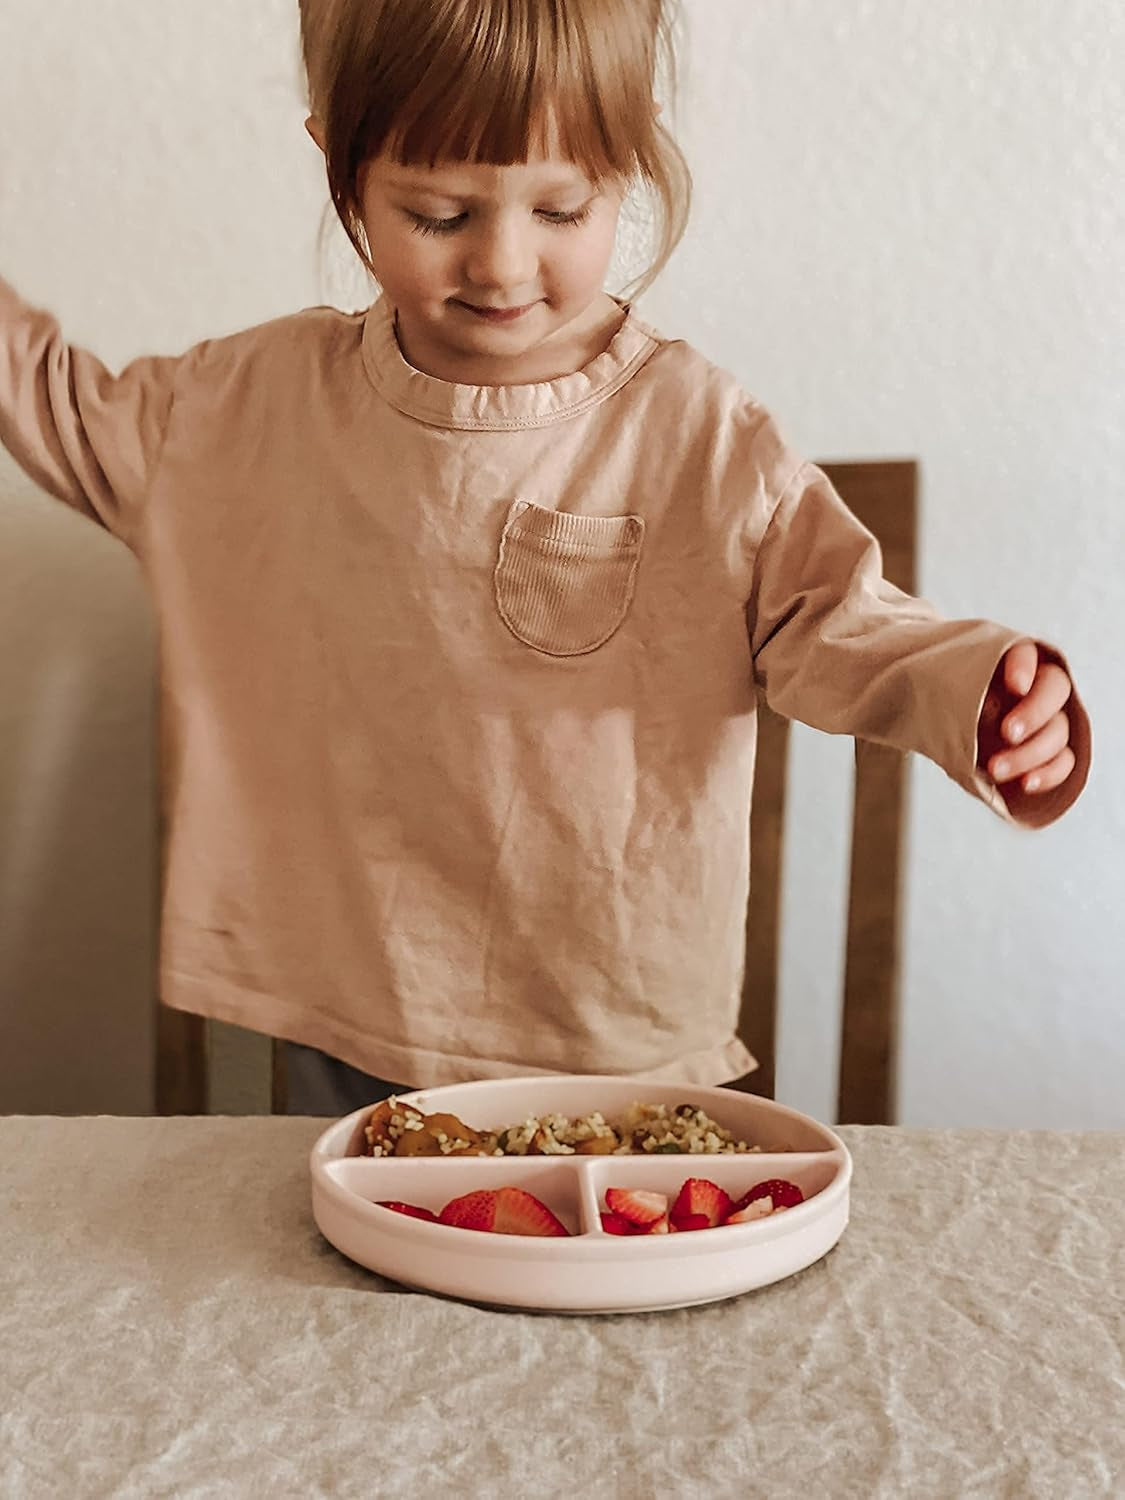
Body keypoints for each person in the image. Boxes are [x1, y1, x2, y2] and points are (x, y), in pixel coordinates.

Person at [0, 0, 1090, 1116]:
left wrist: (980, 691)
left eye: (561, 207)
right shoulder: (255, 407)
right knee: (340, 1286)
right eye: (438, 212)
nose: (502, 262)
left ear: (632, 154)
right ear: (340, 161)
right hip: (343, 1019)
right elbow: (60, 405)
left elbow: (840, 619)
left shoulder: (695, 433)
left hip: (609, 1047)